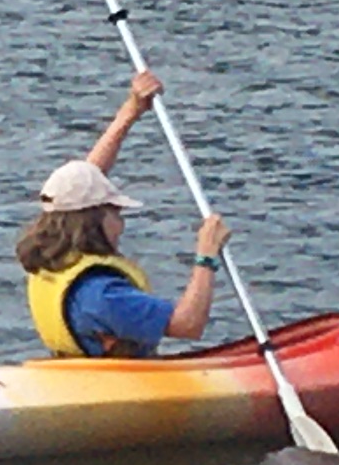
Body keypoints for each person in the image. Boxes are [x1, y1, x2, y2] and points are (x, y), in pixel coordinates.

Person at [16, 70, 229, 357]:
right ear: (93, 221)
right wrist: (206, 254)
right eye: (116, 213)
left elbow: (84, 181)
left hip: (76, 369)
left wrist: (131, 112)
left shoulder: (49, 254)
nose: (121, 224)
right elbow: (187, 324)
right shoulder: (103, 295)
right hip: (119, 377)